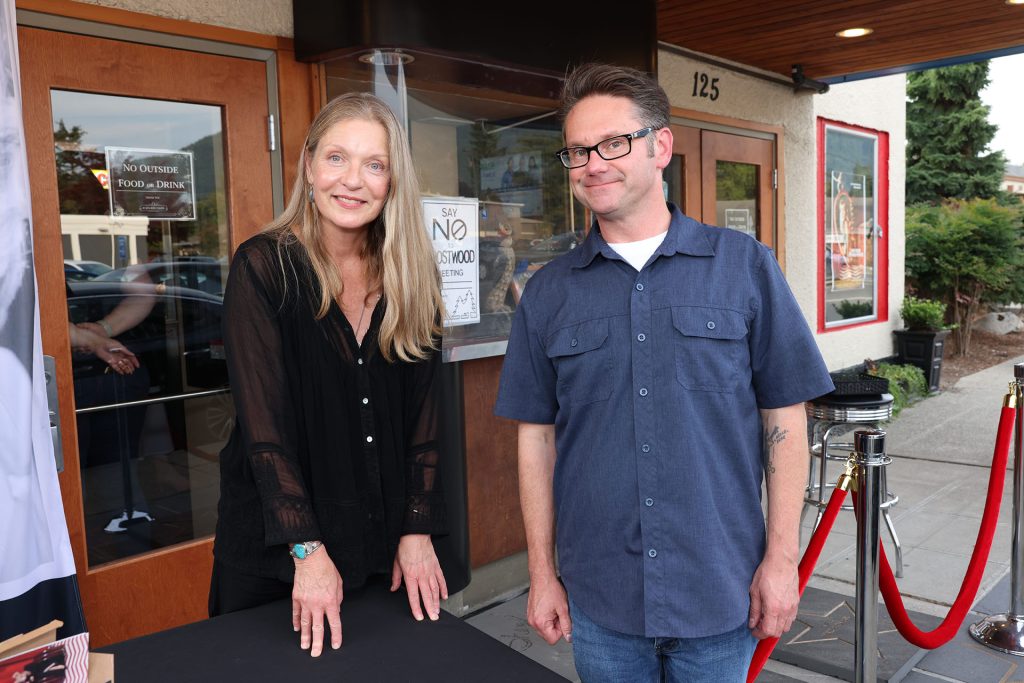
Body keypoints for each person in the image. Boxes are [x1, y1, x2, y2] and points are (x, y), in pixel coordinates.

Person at [494, 63, 834, 682]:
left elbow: (785, 418)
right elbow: (535, 440)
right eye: (577, 151)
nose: (593, 163)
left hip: (720, 589)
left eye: (613, 143)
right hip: (601, 599)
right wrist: (541, 575)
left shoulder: (745, 268)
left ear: (661, 147)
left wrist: (782, 561)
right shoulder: (546, 295)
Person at [209, 92, 449, 659]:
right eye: (337, 158)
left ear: (392, 181)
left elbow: (426, 417)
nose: (353, 180)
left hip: (380, 545)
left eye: (375, 164)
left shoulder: (412, 274)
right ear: (310, 166)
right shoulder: (263, 266)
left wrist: (417, 529)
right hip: (280, 558)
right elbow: (264, 436)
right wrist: (306, 551)